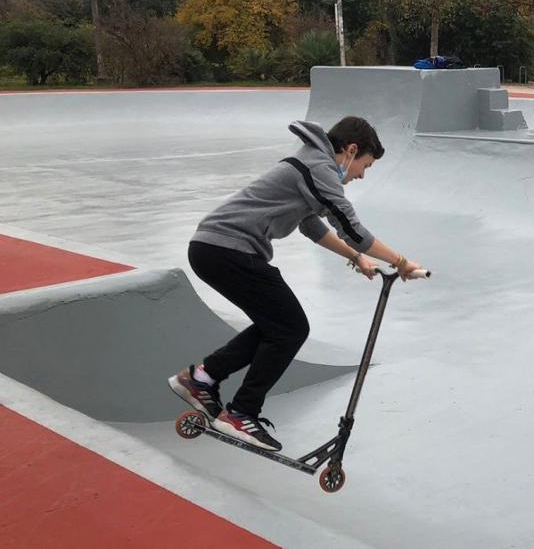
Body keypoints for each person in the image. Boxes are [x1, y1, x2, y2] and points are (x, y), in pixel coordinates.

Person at [167, 117, 427, 452]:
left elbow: (311, 226)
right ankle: (241, 411)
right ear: (351, 151)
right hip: (228, 248)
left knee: (276, 325)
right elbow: (353, 229)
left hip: (214, 248)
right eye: (365, 165)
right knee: (291, 328)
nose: (361, 175)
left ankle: (201, 379)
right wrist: (401, 262)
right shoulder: (319, 167)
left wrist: (356, 258)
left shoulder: (308, 162)